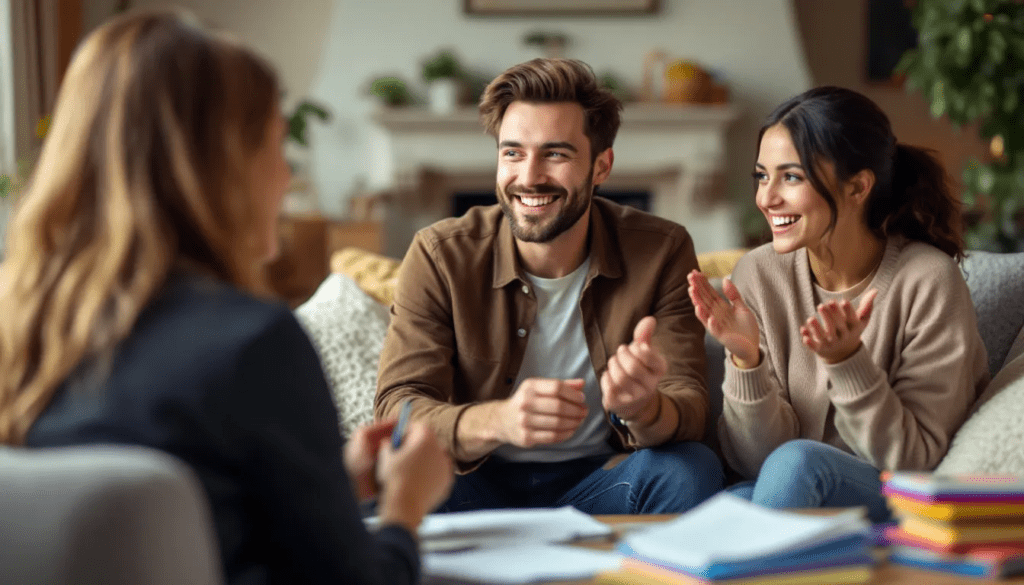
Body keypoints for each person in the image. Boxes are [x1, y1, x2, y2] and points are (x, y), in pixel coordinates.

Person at [0, 10, 453, 585]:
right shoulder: (250, 341)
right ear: (222, 167)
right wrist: (404, 509)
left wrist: (331, 484)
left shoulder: (19, 327)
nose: (286, 176)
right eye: (274, 143)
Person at [375, 58, 723, 514]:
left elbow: (689, 404)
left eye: (555, 153)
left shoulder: (662, 250)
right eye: (512, 152)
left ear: (601, 166)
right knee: (372, 491)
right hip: (472, 483)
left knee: (689, 469)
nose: (529, 176)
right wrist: (496, 420)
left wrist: (645, 408)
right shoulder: (440, 254)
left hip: (602, 481)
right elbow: (397, 407)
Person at [687, 86, 990, 522]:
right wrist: (745, 358)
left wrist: (849, 362)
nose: (767, 198)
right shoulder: (758, 273)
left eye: (791, 177)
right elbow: (756, 462)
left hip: (897, 494)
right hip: (789, 486)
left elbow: (915, 459)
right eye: (761, 175)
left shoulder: (928, 280)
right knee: (710, 506)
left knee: (796, 466)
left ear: (858, 187)